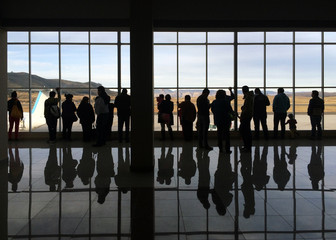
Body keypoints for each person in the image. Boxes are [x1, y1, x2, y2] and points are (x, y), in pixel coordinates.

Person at [211, 90, 233, 154]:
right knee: (227, 135)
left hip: (218, 120)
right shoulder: (225, 102)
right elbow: (230, 110)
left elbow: (213, 110)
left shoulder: (214, 102)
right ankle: (227, 149)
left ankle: (220, 149)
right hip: (226, 120)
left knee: (219, 134)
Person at [239, 85, 254, 152]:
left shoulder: (248, 97)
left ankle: (247, 146)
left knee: (244, 131)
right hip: (248, 116)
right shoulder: (250, 96)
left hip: (246, 116)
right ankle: (247, 146)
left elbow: (247, 108)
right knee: (246, 131)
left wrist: (243, 113)